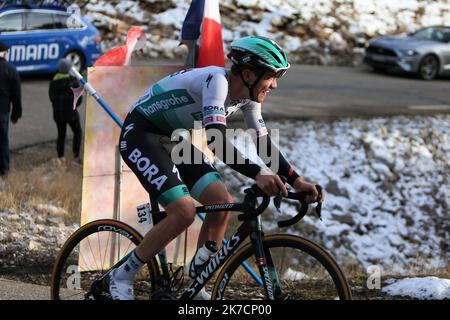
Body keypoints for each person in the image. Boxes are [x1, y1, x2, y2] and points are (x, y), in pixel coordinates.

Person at [103, 36, 322, 300]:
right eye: (271, 77)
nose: (274, 85)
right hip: (141, 133)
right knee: (183, 212)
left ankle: (196, 287)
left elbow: (263, 144)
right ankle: (121, 275)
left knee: (221, 202)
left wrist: (296, 181)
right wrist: (258, 173)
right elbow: (216, 142)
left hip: (171, 138)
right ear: (249, 74)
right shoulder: (217, 82)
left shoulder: (249, 98)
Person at [48, 58, 83, 164]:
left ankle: (60, 156)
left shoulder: (53, 82)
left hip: (58, 114)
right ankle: (76, 155)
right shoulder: (73, 81)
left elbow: (51, 98)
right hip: (71, 114)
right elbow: (79, 99)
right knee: (77, 132)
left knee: (61, 135)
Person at [0, 42, 22, 177]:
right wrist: (16, 115)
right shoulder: (11, 70)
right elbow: (16, 95)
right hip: (2, 111)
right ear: (4, 53)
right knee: (3, 140)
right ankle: (4, 170)